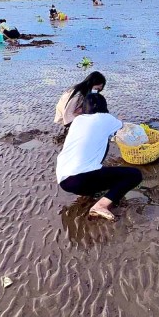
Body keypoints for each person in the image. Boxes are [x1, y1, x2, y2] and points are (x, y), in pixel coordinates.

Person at [56, 93, 143, 221]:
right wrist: (118, 119)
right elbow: (123, 128)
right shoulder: (106, 118)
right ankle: (101, 205)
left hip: (64, 181)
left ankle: (91, 193)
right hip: (81, 178)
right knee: (134, 174)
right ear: (104, 106)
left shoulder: (78, 120)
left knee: (98, 150)